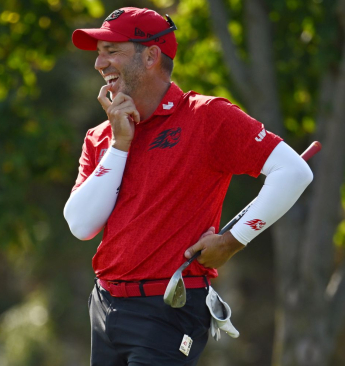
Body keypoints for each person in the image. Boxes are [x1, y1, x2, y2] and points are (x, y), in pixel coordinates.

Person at [63, 7, 314, 366]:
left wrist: (232, 240)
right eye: (99, 52)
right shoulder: (102, 136)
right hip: (103, 306)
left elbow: (293, 172)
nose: (99, 64)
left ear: (150, 55)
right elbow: (80, 225)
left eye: (112, 51)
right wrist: (120, 144)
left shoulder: (206, 116)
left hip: (165, 309)